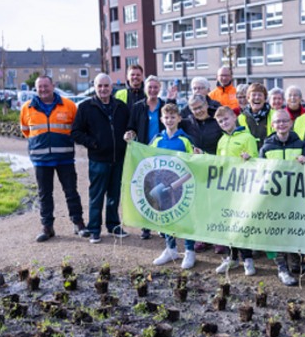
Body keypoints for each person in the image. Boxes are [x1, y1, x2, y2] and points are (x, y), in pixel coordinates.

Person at [125, 76, 200, 240]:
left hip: (174, 169)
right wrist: (132, 142)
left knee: (176, 205)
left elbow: (194, 159)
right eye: (149, 87)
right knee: (151, 195)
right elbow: (132, 128)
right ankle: (151, 227)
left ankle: (181, 242)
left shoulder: (183, 138)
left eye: (155, 87)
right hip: (152, 153)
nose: (152, 90)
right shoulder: (139, 108)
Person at [20, 75, 86, 242]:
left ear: (53, 86)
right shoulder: (27, 108)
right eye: (39, 87)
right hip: (40, 159)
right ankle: (47, 227)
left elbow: (77, 128)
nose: (43, 89)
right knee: (44, 194)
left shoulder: (69, 105)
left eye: (46, 86)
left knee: (71, 192)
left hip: (65, 158)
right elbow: (25, 131)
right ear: (35, 88)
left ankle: (78, 222)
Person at [71, 74, 131, 243]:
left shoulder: (121, 106)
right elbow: (76, 132)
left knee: (114, 195)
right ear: (95, 87)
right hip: (98, 160)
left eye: (106, 85)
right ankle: (94, 228)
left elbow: (130, 127)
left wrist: (129, 135)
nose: (103, 89)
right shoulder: (86, 107)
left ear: (111, 87)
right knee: (97, 196)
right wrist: (93, 143)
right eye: (100, 86)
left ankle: (113, 225)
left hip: (118, 158)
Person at [259, 110, 305, 285]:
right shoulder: (266, 147)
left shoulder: (300, 144)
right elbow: (259, 172)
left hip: (295, 198)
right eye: (278, 122)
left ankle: (297, 264)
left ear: (290, 123)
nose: (281, 124)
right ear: (272, 125)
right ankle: (282, 268)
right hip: (274, 200)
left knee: (296, 231)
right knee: (277, 233)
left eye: (285, 121)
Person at [150, 104, 202, 269]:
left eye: (173, 117)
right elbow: (145, 157)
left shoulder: (185, 140)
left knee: (185, 217)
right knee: (166, 217)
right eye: (166, 117)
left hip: (182, 187)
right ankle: (171, 248)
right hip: (161, 186)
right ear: (161, 119)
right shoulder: (157, 139)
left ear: (179, 119)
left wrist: (198, 156)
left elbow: (194, 163)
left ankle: (189, 250)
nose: (170, 120)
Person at [212, 106, 260, 275]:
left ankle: (247, 259)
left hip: (243, 189)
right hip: (226, 190)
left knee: (241, 224)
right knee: (227, 223)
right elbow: (219, 164)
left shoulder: (247, 137)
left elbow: (256, 162)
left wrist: (250, 158)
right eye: (220, 121)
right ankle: (232, 258)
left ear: (234, 117)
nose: (224, 123)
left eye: (226, 119)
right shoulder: (221, 141)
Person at [185, 94, 222, 253]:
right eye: (194, 109)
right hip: (196, 169)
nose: (198, 111)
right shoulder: (187, 123)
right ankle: (203, 238)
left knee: (216, 204)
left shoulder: (217, 122)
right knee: (200, 204)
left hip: (216, 167)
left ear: (206, 105)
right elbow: (169, 119)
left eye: (200, 107)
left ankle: (219, 238)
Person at [238, 83, 275, 149]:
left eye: (260, 95)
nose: (257, 97)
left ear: (265, 98)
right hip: (249, 157)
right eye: (254, 95)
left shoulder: (275, 115)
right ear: (248, 98)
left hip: (270, 156)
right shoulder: (240, 118)